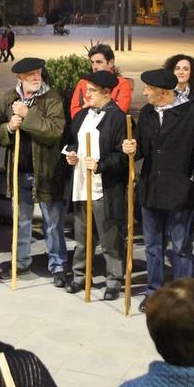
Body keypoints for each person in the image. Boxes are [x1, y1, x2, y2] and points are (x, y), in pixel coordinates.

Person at [123, 68, 194, 313]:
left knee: (181, 246)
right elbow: (141, 149)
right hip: (152, 189)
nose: (144, 92)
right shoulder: (149, 112)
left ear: (162, 92)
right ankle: (153, 291)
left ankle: (183, 294)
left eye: (148, 89)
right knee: (153, 245)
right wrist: (131, 147)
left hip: (181, 190)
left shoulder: (193, 112)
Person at [0, 57, 68, 285]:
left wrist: (28, 116)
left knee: (53, 222)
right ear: (20, 78)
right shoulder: (9, 98)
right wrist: (8, 127)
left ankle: (58, 265)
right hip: (19, 171)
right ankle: (20, 262)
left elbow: (54, 132)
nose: (36, 77)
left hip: (46, 172)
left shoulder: (52, 98)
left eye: (38, 73)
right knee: (21, 221)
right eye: (30, 75)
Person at [63, 70, 127, 300]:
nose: (86, 94)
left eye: (91, 91)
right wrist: (70, 154)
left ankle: (114, 280)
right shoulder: (81, 115)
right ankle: (80, 276)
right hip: (81, 185)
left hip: (104, 189)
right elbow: (71, 141)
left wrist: (101, 164)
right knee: (81, 237)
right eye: (86, 90)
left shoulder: (118, 118)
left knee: (109, 239)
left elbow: (122, 155)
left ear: (107, 93)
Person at [69, 43, 134, 118]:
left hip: (110, 127)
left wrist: (89, 109)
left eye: (99, 62)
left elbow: (120, 113)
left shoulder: (122, 84)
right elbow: (74, 112)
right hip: (84, 126)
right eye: (92, 62)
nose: (95, 67)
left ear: (111, 63)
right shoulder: (83, 82)